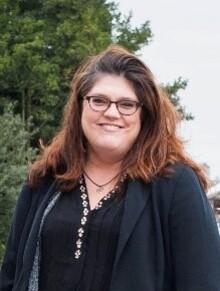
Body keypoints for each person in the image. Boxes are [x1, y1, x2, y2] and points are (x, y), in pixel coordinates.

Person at [0, 45, 220, 291]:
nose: (111, 112)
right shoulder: (46, 179)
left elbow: (204, 281)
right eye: (99, 101)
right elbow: (10, 276)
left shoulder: (175, 184)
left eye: (127, 104)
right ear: (80, 106)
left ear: (144, 115)